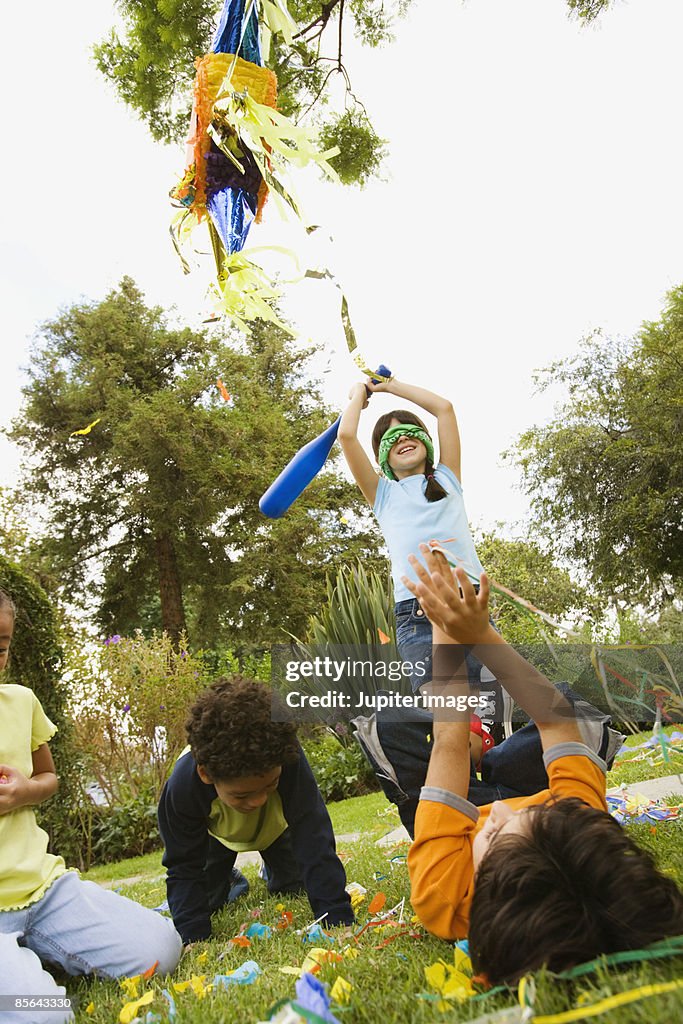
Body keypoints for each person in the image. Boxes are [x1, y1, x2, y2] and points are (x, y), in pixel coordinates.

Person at [400, 548, 683, 984]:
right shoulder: (572, 824)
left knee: (397, 735)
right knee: (567, 704)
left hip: (459, 800)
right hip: (531, 777)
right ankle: (515, 762)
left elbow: (451, 740)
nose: (506, 811)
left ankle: (492, 764)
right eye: (532, 812)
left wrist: (442, 629)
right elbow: (554, 717)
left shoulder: (443, 892)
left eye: (494, 834)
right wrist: (478, 634)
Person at [0, 589, 182, 1024]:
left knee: (161, 952)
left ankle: (36, 952)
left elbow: (49, 778)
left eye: (1, 647)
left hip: (42, 890)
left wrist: (25, 791)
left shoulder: (21, 702)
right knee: (41, 1013)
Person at [338, 376, 511, 737]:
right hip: (418, 617)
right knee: (455, 728)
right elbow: (347, 436)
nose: (401, 437)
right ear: (382, 459)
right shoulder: (382, 494)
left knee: (490, 725)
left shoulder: (448, 478)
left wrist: (390, 386)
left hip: (471, 607)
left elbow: (444, 409)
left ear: (428, 445)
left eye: (410, 432)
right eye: (389, 437)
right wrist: (358, 395)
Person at [157, 678, 354, 945]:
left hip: (274, 831)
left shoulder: (288, 756)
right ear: (206, 775)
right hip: (219, 839)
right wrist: (193, 938)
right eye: (242, 794)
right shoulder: (183, 787)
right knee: (208, 902)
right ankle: (231, 879)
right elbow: (182, 866)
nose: (259, 800)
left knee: (293, 884)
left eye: (270, 785)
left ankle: (270, 868)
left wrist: (337, 917)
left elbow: (313, 835)